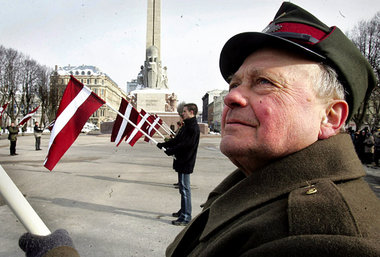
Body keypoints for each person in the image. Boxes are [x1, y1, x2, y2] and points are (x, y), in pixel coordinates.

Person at [17, 2, 380, 256]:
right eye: (236, 83)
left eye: (265, 83)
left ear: (331, 117)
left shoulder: (323, 234)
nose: (235, 96)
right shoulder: (258, 183)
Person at [157, 103, 200, 226]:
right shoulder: (187, 126)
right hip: (182, 160)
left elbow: (185, 145)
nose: (183, 113)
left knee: (185, 189)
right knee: (182, 188)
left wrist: (171, 151)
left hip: (186, 161)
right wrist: (164, 144)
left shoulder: (193, 128)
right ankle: (183, 211)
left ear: (192, 112)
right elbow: (178, 140)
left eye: (185, 111)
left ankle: (186, 217)